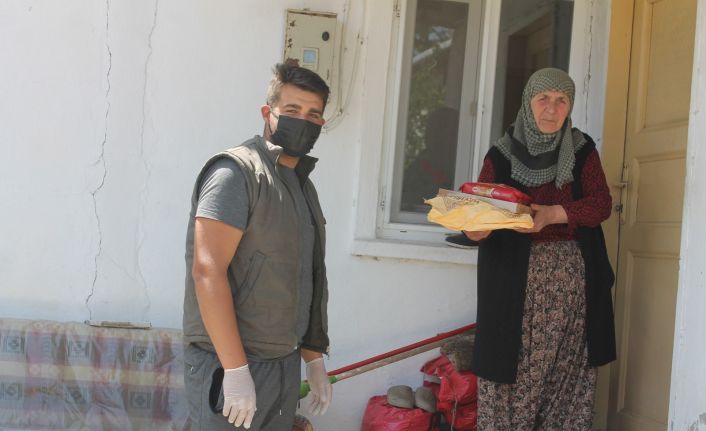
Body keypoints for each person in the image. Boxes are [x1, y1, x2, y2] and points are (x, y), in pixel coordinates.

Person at [182, 62, 333, 430]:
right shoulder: (236, 174)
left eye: (313, 114)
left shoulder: (302, 185)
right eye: (292, 110)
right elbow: (207, 271)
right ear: (269, 112)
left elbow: (307, 275)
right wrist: (235, 370)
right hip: (232, 365)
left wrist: (313, 357)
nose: (303, 121)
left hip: (283, 364)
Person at [466, 68, 616, 430]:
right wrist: (475, 230)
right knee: (510, 376)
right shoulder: (501, 155)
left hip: (573, 295)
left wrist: (553, 214)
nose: (552, 108)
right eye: (543, 99)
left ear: (570, 106)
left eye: (562, 100)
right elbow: (478, 214)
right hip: (511, 287)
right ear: (527, 102)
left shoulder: (581, 150)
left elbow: (601, 204)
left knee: (567, 379)